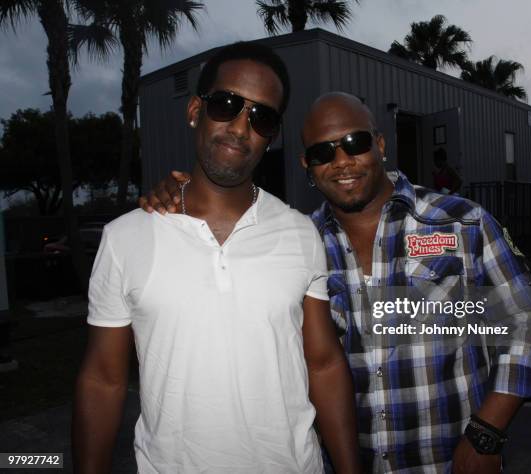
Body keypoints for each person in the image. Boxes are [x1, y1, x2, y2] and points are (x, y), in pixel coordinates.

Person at [142, 92, 531, 474]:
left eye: (354, 143)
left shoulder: (463, 222)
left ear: (380, 145)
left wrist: (486, 434)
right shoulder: (297, 245)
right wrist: (178, 198)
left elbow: (530, 316)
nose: (341, 161)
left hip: (452, 460)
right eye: (323, 152)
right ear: (307, 165)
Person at [72, 44, 361, 474]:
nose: (241, 128)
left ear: (272, 136)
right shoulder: (125, 238)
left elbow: (323, 362)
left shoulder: (301, 233)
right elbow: (103, 379)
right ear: (195, 110)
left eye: (261, 117)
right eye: (227, 105)